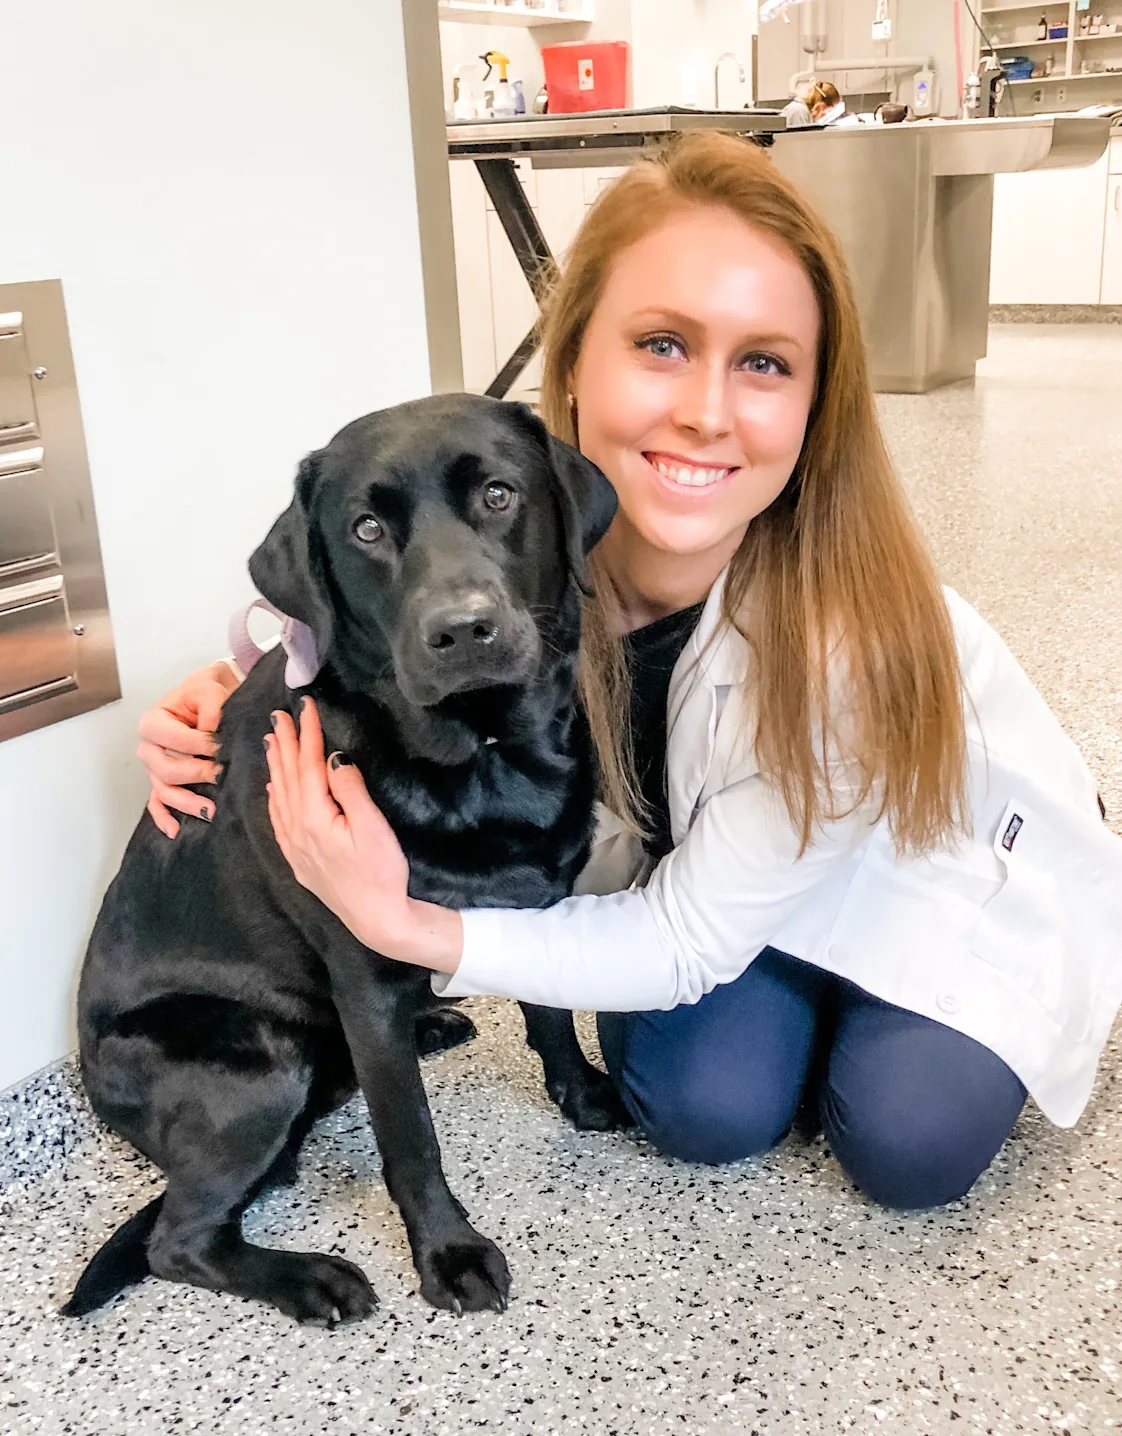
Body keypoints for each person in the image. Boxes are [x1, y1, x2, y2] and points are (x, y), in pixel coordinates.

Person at [137, 132, 1122, 1213]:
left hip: (930, 864)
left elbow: (682, 940)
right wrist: (223, 698)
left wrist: (402, 924)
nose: (705, 408)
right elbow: (355, 608)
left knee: (908, 1142)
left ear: (812, 401)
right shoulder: (522, 521)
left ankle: (895, 1004)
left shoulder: (849, 646)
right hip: (734, 867)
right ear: (573, 364)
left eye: (763, 361)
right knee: (699, 1105)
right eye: (661, 343)